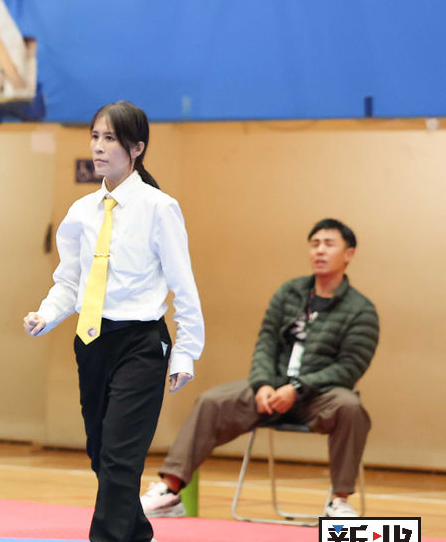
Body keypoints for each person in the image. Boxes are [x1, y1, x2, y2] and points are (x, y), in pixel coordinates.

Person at [23, 100, 203, 542]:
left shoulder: (159, 208)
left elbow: (184, 286)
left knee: (122, 457)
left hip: (142, 343)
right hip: (91, 340)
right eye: (95, 137)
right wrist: (46, 314)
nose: (99, 148)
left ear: (136, 148)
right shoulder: (82, 212)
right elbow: (70, 281)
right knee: (103, 455)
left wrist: (186, 352)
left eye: (110, 139)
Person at [140, 218, 378, 520]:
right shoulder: (290, 293)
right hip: (271, 390)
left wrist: (297, 389)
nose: (320, 250)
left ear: (349, 254)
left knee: (352, 409)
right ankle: (170, 491)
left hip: (318, 397)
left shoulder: (361, 310)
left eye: (329, 244)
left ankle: (339, 501)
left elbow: (349, 368)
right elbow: (266, 342)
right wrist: (264, 384)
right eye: (315, 244)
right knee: (211, 402)